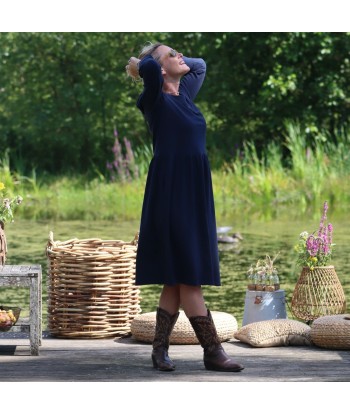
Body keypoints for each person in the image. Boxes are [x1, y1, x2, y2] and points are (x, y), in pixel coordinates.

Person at [125, 42, 244, 373]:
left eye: (179, 52)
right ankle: (213, 351)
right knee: (189, 276)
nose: (181, 57)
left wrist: (169, 59)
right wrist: (145, 62)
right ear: (160, 69)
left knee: (176, 277)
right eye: (172, 55)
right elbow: (149, 70)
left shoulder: (186, 95)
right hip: (170, 192)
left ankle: (159, 350)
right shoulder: (154, 101)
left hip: (194, 192)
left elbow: (200, 64)